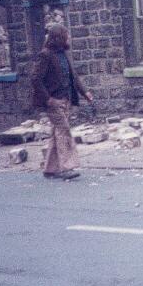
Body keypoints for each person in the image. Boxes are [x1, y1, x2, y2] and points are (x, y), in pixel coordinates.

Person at [30, 24, 93, 180]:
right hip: (53, 102)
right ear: (58, 37)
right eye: (66, 35)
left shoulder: (64, 54)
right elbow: (35, 79)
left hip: (66, 100)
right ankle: (66, 167)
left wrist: (85, 92)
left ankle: (50, 169)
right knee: (64, 131)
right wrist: (48, 99)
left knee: (56, 132)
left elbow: (74, 77)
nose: (69, 38)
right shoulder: (45, 55)